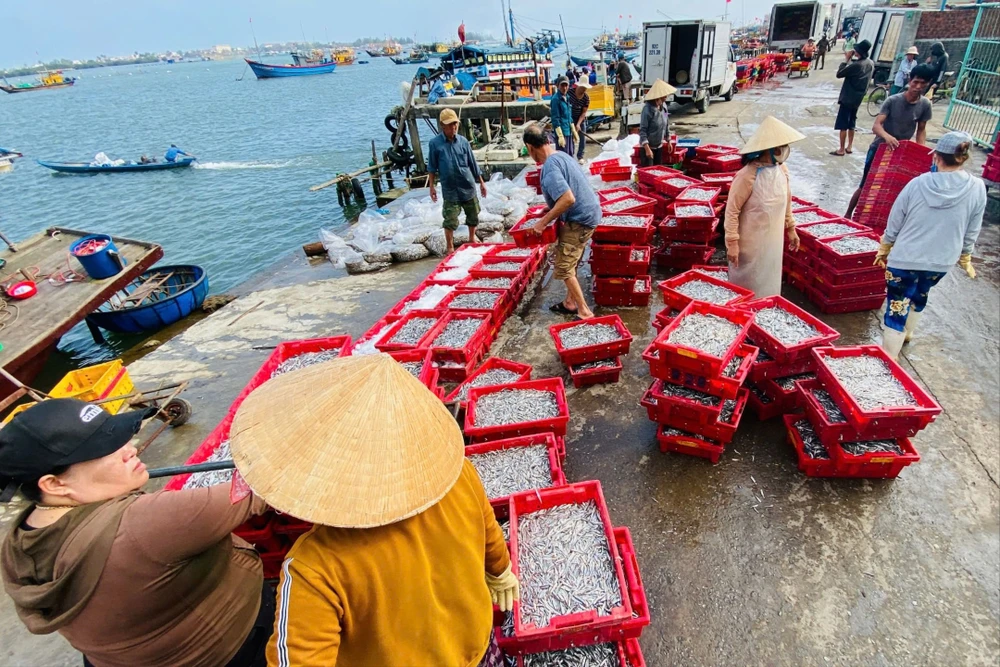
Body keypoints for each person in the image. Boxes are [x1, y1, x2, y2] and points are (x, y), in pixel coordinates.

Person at [224, 355, 516, 666]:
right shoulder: (457, 475)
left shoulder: (314, 567)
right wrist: (500, 571)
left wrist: (499, 569)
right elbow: (489, 532)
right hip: (477, 649)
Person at [0, 399, 274, 667]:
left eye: (120, 438)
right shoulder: (146, 522)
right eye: (105, 448)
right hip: (232, 649)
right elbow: (269, 486)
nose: (130, 449)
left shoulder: (17, 541)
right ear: (54, 484)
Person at [873, 131, 984, 358]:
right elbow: (973, 228)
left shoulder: (917, 184)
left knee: (897, 305)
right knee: (920, 294)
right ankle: (908, 334)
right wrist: (965, 255)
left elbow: (895, 219)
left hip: (905, 259)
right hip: (941, 262)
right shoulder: (977, 188)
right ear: (964, 157)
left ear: (937, 157)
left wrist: (885, 246)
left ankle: (889, 358)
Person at [523, 123, 602, 319]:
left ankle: (584, 311)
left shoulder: (549, 168)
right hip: (591, 212)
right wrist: (551, 208)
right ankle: (570, 302)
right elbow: (570, 187)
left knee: (564, 266)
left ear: (529, 148)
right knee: (571, 260)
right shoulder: (562, 155)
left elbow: (568, 198)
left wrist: (542, 222)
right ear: (547, 140)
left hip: (580, 219)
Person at [724, 116, 806, 297]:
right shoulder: (746, 176)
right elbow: (732, 211)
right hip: (749, 245)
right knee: (747, 287)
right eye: (781, 147)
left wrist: (791, 228)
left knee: (769, 282)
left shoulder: (782, 170)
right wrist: (732, 243)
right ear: (769, 150)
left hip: (773, 242)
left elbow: (787, 200)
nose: (785, 151)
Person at [845, 64, 934, 219]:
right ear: (909, 80)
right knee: (867, 183)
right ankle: (848, 214)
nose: (917, 87)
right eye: (915, 82)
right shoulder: (893, 101)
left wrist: (921, 151)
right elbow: (876, 126)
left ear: (927, 84)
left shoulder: (925, 105)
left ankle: (879, 218)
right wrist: (887, 137)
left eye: (922, 84)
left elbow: (921, 130)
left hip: (902, 152)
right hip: (880, 148)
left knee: (894, 187)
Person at [427, 108, 488, 255]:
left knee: (473, 214)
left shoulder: (463, 142)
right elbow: (432, 167)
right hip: (450, 188)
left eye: (455, 124)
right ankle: (450, 246)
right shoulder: (435, 144)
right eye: (449, 125)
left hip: (467, 186)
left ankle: (472, 238)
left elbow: (473, 164)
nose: (453, 128)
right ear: (442, 125)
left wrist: (481, 183)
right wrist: (431, 187)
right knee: (450, 219)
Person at [832, 39, 874, 156]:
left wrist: (846, 59)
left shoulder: (856, 65)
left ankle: (841, 149)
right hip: (858, 98)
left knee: (843, 124)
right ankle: (849, 146)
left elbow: (839, 73)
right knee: (852, 122)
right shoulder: (870, 63)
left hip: (848, 98)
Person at [639, 79, 677, 167]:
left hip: (659, 146)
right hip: (648, 148)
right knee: (649, 174)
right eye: (664, 97)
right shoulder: (647, 109)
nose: (665, 98)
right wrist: (647, 149)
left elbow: (666, 123)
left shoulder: (664, 107)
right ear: (657, 97)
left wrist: (669, 140)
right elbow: (642, 130)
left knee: (658, 171)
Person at [550, 75, 576, 157]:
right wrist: (560, 136)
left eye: (566, 85)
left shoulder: (567, 97)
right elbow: (555, 119)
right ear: (557, 86)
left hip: (569, 132)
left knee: (571, 153)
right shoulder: (555, 99)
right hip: (562, 132)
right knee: (563, 156)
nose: (564, 88)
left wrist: (573, 130)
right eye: (562, 85)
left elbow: (569, 116)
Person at [570, 80, 591, 164]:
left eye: (585, 88)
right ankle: (570, 155)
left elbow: (584, 112)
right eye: (582, 87)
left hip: (580, 118)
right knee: (570, 137)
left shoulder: (586, 98)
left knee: (582, 137)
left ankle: (580, 156)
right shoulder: (570, 93)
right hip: (570, 117)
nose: (583, 90)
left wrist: (578, 124)